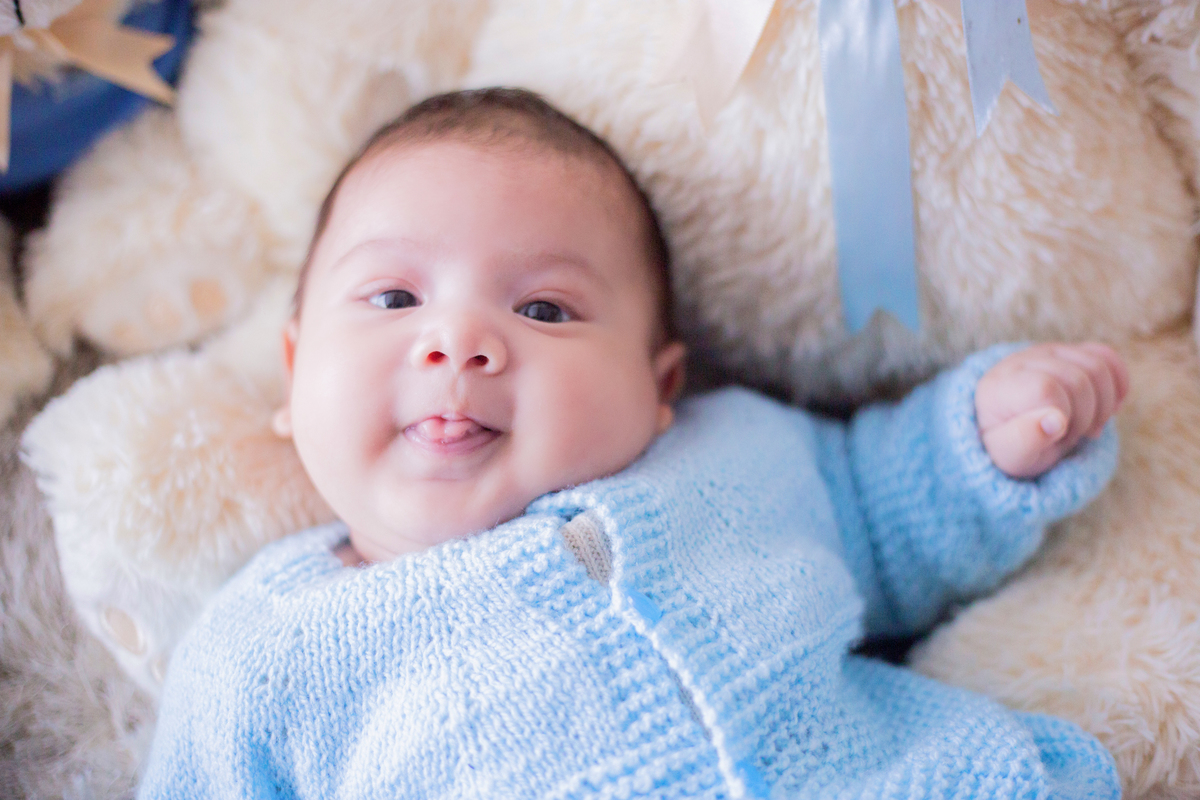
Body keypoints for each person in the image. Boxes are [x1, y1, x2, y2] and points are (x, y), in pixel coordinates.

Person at [138, 88, 1129, 799]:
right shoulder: (263, 656)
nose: (458, 341)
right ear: (293, 373)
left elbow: (878, 507)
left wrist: (985, 439)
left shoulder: (733, 450)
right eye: (393, 296)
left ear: (658, 389)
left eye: (544, 306)